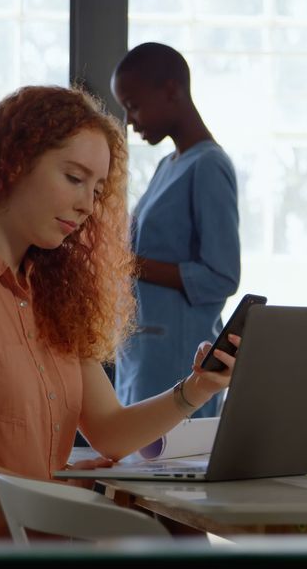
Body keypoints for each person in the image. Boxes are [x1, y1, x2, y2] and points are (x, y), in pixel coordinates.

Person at [0, 86, 238, 539]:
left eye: (97, 190)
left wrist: (196, 388)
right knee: (168, 536)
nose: (87, 205)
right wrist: (68, 491)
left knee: (180, 532)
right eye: (74, 178)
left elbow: (110, 432)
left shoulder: (50, 298)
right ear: (12, 163)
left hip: (43, 534)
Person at [109, 42, 241, 416]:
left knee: (167, 466)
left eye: (133, 105)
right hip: (144, 357)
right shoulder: (169, 164)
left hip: (179, 363)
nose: (130, 121)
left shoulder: (209, 166)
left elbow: (221, 276)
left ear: (170, 90)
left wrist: (130, 264)